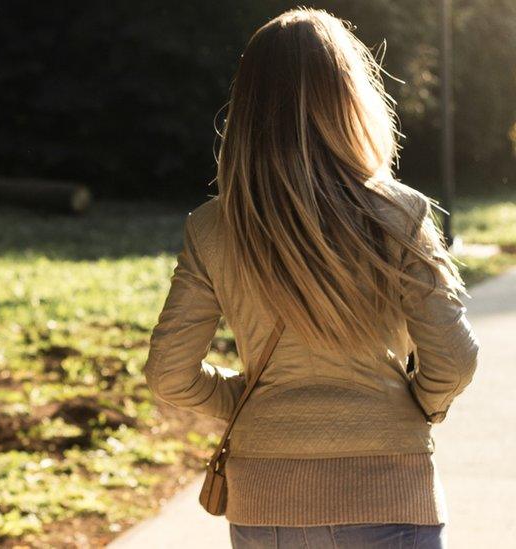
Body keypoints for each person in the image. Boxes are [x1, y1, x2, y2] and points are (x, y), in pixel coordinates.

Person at [142, 7, 479, 549]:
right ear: (350, 98)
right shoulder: (399, 214)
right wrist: (421, 406)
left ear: (248, 106)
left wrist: (252, 403)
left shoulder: (213, 226)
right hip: (387, 490)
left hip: (263, 500)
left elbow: (168, 373)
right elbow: (455, 359)